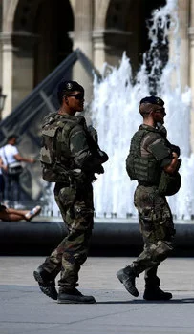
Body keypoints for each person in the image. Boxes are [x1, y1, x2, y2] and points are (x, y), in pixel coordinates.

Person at [33, 80, 108, 304]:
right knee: (80, 236)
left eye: (82, 96)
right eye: (77, 96)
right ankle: (65, 286)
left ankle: (48, 272)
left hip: (61, 187)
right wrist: (100, 159)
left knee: (74, 234)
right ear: (65, 98)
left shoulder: (49, 121)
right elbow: (83, 159)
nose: (81, 99)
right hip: (77, 188)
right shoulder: (75, 126)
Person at [117, 95, 181, 301]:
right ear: (153, 113)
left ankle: (152, 287)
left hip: (142, 192)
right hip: (153, 195)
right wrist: (175, 158)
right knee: (166, 242)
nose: (164, 114)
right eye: (161, 111)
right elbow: (168, 167)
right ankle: (130, 271)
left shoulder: (138, 136)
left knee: (150, 243)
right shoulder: (154, 138)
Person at [0, 134, 36, 201]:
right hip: (13, 168)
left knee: (7, 185)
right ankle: (16, 201)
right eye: (14, 140)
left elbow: (1, 161)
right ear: (10, 140)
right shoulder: (13, 148)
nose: (15, 141)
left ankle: (6, 201)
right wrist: (29, 160)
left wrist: (3, 166)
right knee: (16, 184)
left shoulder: (2, 149)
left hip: (5, 169)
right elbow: (18, 158)